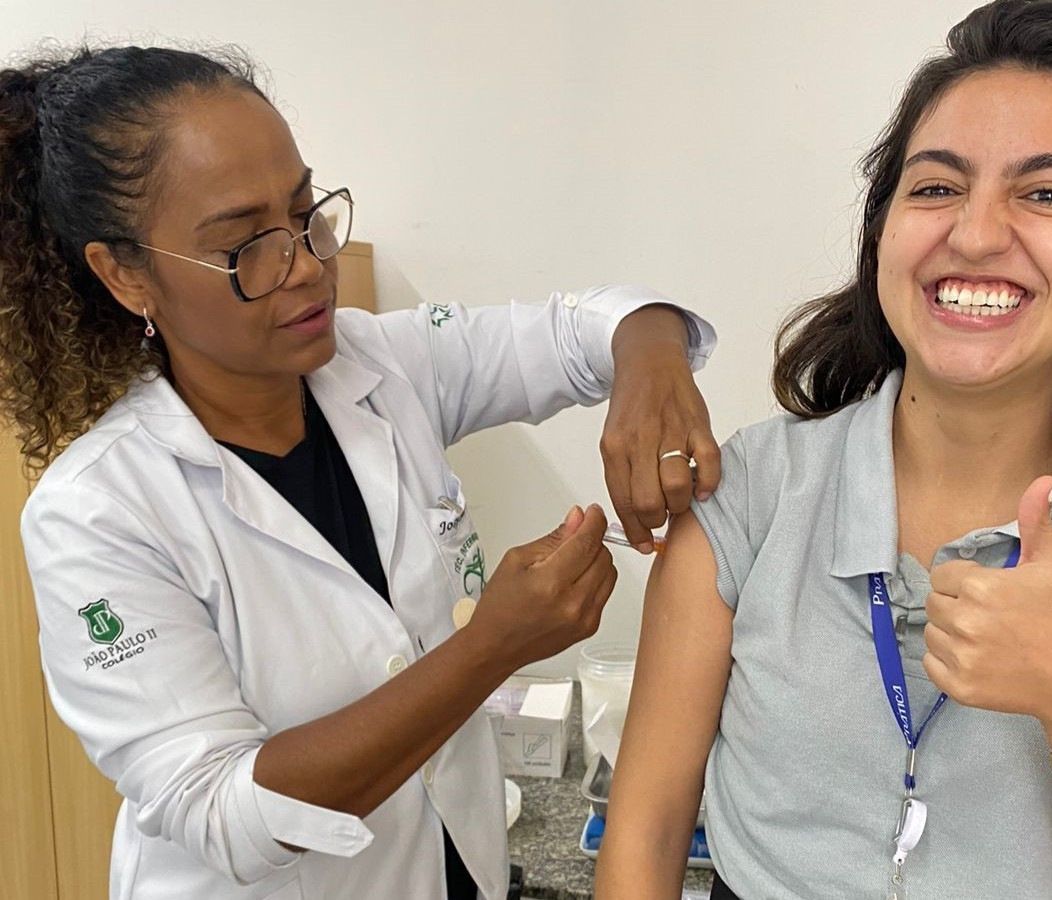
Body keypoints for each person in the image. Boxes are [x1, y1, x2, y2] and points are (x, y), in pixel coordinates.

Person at [0, 46, 722, 900]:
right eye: (246, 247)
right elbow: (222, 811)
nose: (305, 264)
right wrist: (492, 648)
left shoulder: (385, 366)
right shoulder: (98, 511)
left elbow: (585, 329)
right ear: (125, 276)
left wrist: (651, 359)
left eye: (308, 212)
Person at [595, 1, 1052, 897]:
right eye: (935, 186)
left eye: (1047, 193)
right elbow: (643, 840)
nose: (976, 232)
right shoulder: (750, 494)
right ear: (883, 233)